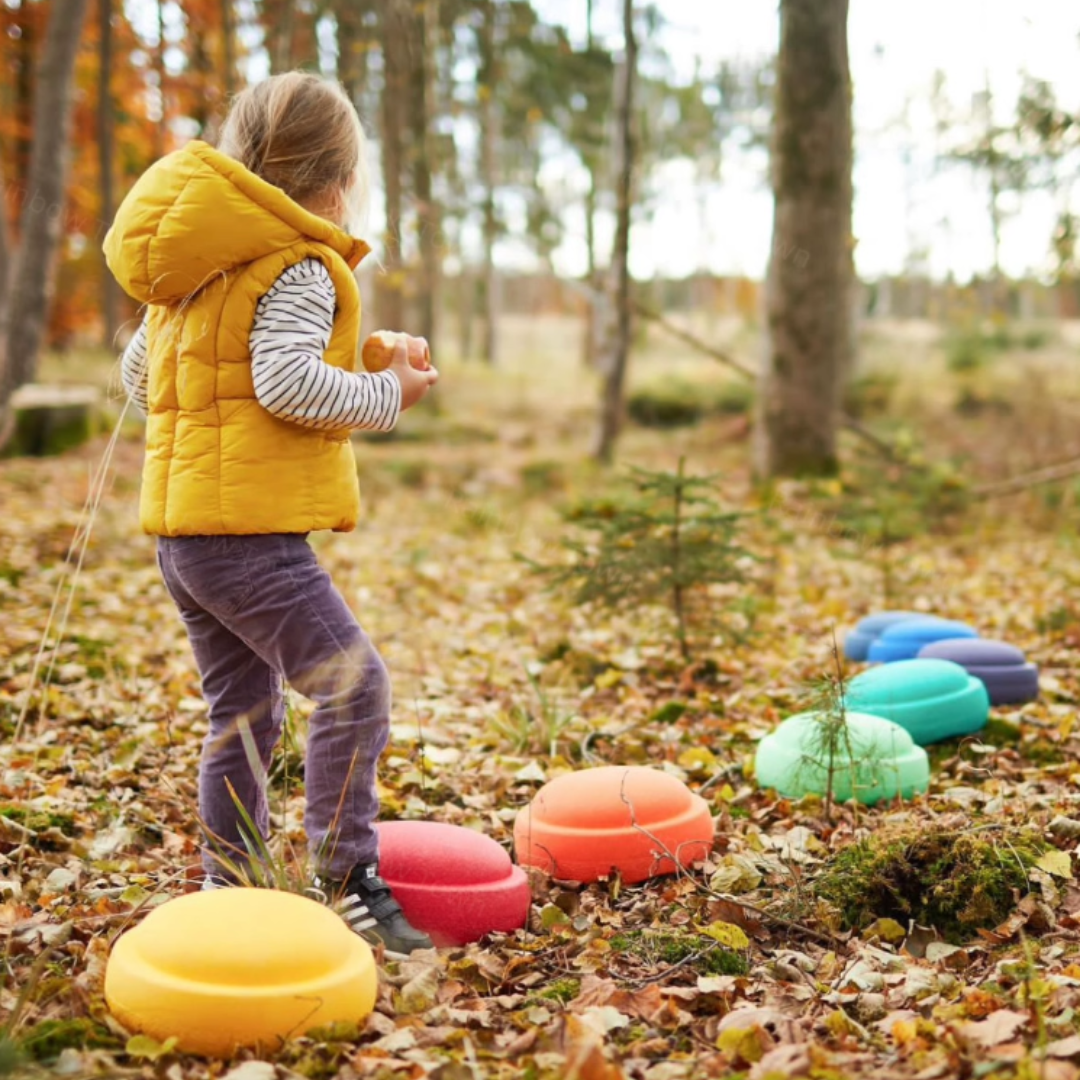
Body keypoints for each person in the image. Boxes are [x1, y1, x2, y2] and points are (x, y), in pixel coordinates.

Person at [104, 72, 439, 955]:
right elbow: (285, 383)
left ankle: (229, 884)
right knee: (352, 686)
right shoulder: (297, 261)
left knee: (244, 712)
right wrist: (387, 390)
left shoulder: (197, 266)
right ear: (335, 182)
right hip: (250, 538)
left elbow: (144, 380)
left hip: (188, 540)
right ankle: (347, 879)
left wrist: (348, 359)